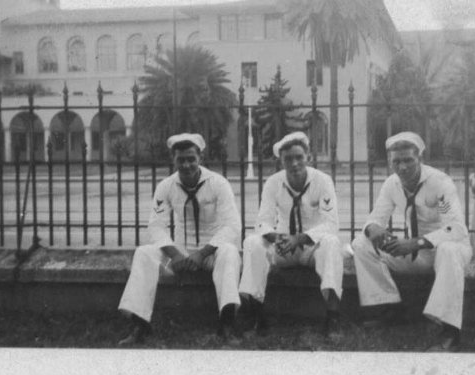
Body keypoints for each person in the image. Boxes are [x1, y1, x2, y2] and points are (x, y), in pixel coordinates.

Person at [117, 133, 242, 346]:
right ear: (173, 160)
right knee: (144, 253)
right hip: (181, 254)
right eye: (180, 159)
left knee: (230, 252)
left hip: (211, 253)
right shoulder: (166, 186)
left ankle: (227, 324)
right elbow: (156, 225)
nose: (186, 165)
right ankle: (140, 324)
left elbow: (232, 225)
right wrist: (174, 254)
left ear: (200, 158)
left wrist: (202, 253)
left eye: (191, 159)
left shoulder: (218, 183)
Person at [351, 132, 472, 351]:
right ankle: (389, 308)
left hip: (444, 250)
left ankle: (450, 330)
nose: (403, 167)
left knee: (448, 249)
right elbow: (374, 218)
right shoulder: (392, 184)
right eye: (396, 162)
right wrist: (374, 229)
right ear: (390, 162)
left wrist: (415, 243)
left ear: (420, 158)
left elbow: (456, 228)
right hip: (416, 253)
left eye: (408, 160)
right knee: (361, 244)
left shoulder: (440, 183)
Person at [238, 132, 344, 339]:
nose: (294, 163)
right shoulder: (273, 183)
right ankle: (256, 314)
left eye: (299, 157)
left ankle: (333, 316)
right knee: (252, 242)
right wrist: (277, 238)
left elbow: (331, 224)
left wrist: (300, 238)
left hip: (312, 248)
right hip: (284, 247)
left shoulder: (323, 181)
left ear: (308, 157)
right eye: (288, 159)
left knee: (331, 242)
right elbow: (263, 221)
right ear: (281, 161)